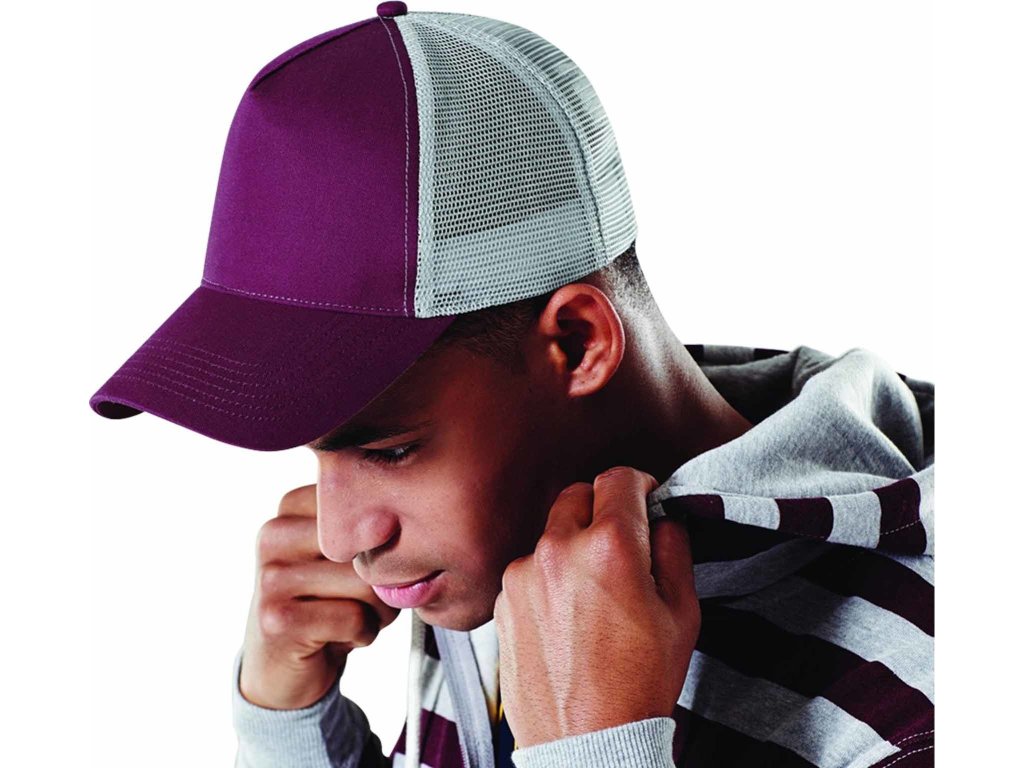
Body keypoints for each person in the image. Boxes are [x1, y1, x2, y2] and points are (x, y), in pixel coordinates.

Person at [89, 4, 935, 768]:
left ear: (578, 343)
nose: (342, 538)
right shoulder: (517, 539)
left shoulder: (924, 699)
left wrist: (595, 753)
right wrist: (289, 730)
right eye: (317, 451)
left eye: (391, 451)